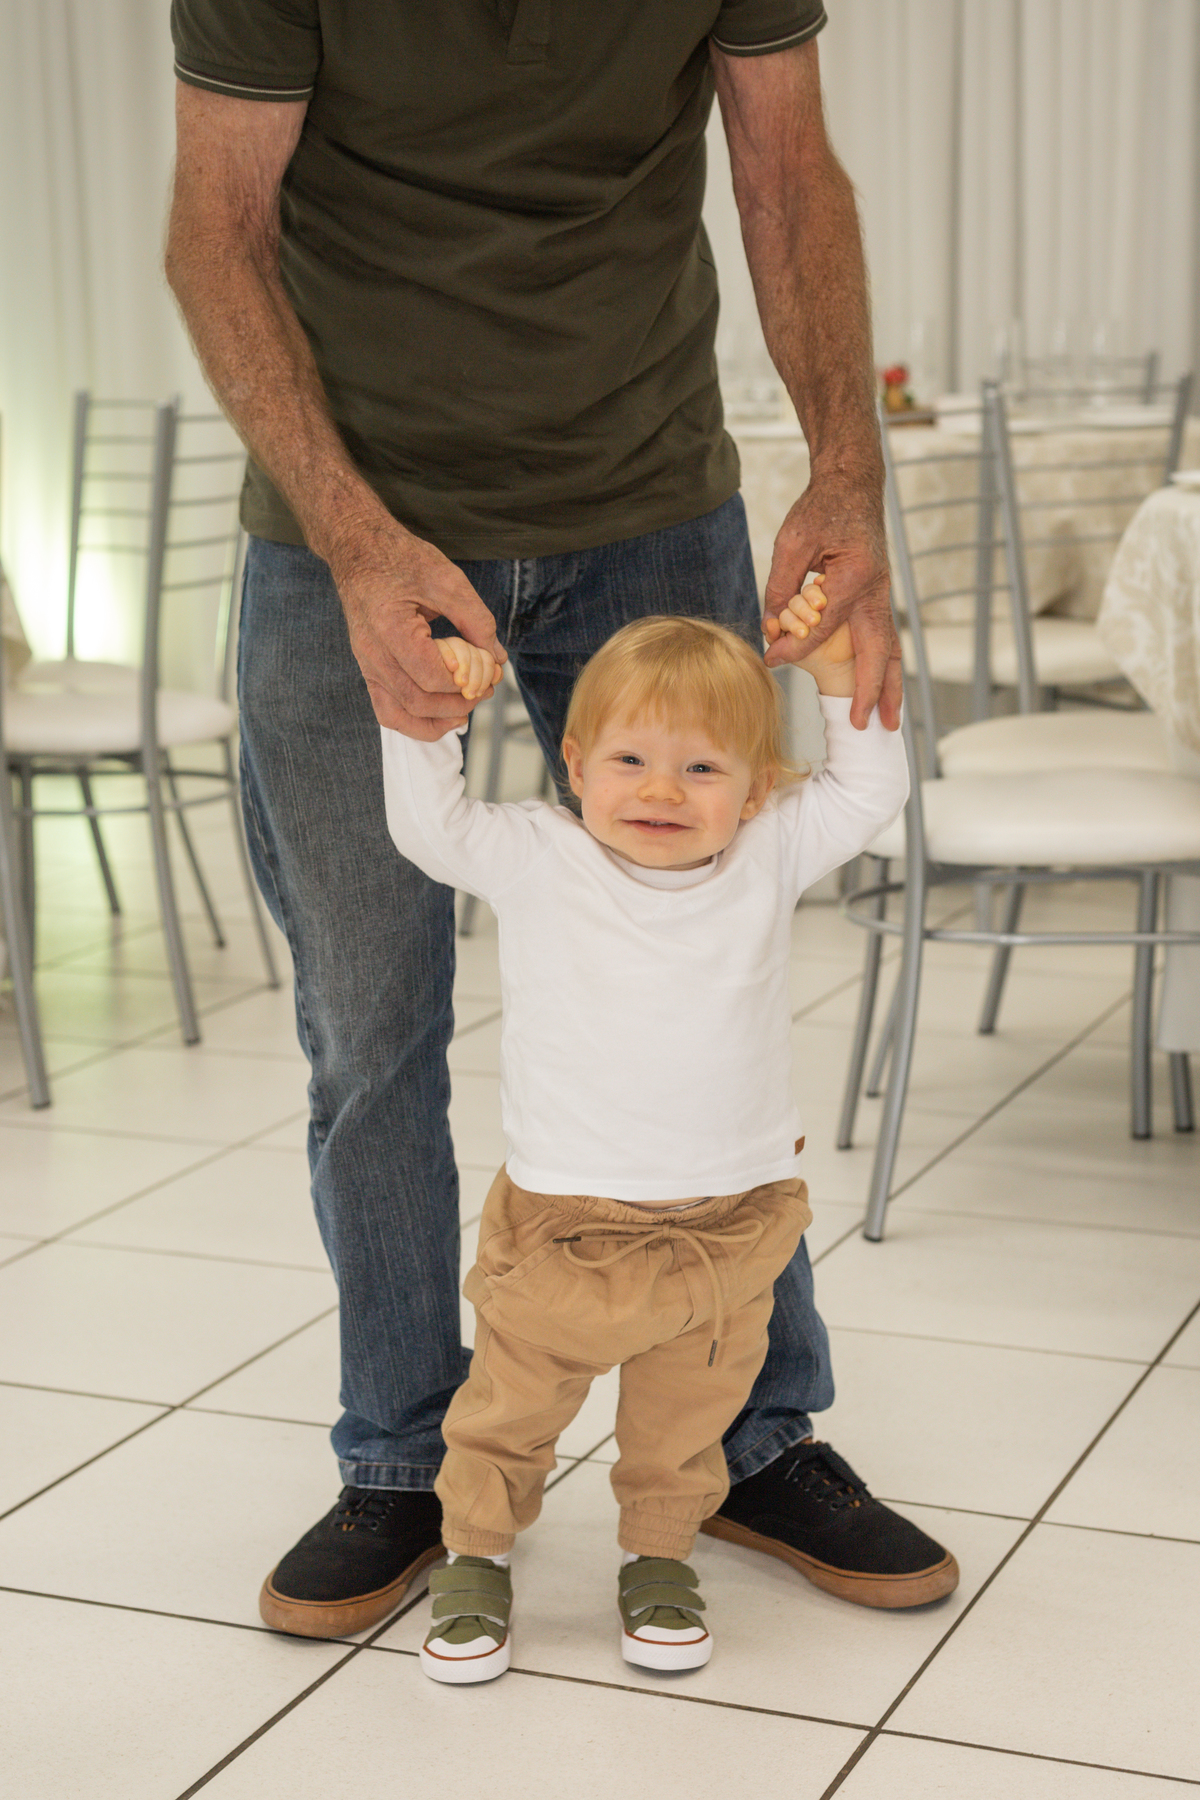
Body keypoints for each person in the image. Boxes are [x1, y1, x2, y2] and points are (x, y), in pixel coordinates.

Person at [165, 0, 959, 1640]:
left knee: (713, 986)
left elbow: (788, 174)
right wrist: (358, 542)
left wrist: (846, 470)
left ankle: (752, 1440)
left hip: (648, 502)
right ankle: (404, 1458)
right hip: (345, 523)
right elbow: (217, 230)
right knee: (367, 1031)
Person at [385, 583, 907, 1684]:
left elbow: (870, 794)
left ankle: (659, 1558)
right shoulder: (538, 855)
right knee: (508, 1413)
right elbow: (428, 827)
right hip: (566, 1223)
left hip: (730, 1225)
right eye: (630, 760)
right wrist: (436, 716)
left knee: (685, 1424)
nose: (662, 789)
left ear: (757, 788)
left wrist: (839, 687)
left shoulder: (768, 852)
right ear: (575, 765)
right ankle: (476, 1553)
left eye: (703, 768)